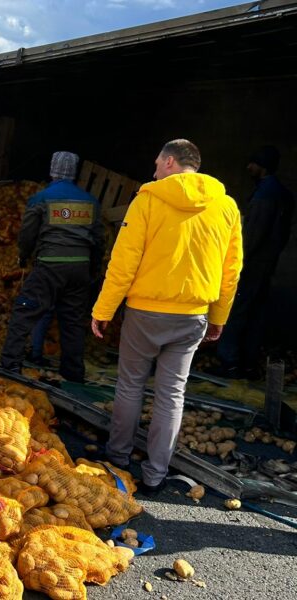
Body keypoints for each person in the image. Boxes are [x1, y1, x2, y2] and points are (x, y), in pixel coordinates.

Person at [91, 139, 243, 494]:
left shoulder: (148, 200)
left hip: (146, 311)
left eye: (158, 163)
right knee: (172, 393)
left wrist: (104, 310)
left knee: (130, 384)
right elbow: (231, 269)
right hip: (193, 316)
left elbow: (123, 261)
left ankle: (118, 459)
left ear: (171, 162)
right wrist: (219, 315)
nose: (155, 170)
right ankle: (156, 474)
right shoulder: (226, 207)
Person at [0, 151, 104, 383]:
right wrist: (93, 269)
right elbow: (98, 239)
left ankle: (9, 366)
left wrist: (23, 256)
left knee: (24, 312)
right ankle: (74, 374)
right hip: (80, 271)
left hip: (49, 267)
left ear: (53, 171)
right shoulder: (90, 201)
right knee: (73, 322)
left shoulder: (42, 198)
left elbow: (27, 234)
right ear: (74, 173)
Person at [212, 146, 294, 379]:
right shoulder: (283, 195)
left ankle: (228, 362)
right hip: (267, 265)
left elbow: (252, 234)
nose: (248, 167)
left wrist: (237, 262)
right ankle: (248, 363)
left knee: (235, 311)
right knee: (256, 313)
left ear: (262, 166)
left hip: (251, 265)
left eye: (252, 163)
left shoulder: (265, 195)